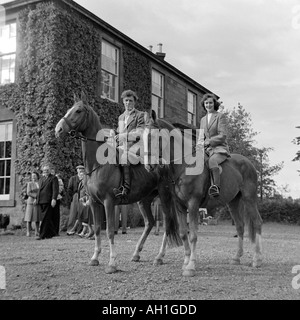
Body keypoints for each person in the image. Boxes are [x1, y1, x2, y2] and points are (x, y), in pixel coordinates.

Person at [113, 90, 145, 201]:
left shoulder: (140, 115)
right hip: (122, 146)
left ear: (134, 102)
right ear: (123, 101)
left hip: (136, 146)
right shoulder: (121, 117)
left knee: (124, 157)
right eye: (126, 101)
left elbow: (140, 133)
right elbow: (119, 132)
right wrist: (114, 135)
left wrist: (124, 136)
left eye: (130, 101)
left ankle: (125, 187)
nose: (128, 103)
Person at [196, 93, 230, 197]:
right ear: (204, 105)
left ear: (214, 104)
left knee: (212, 161)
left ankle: (216, 187)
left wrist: (208, 141)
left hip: (220, 149)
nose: (208, 105)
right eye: (206, 103)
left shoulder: (220, 116)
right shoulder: (202, 120)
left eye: (210, 103)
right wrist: (198, 146)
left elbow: (222, 135)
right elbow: (201, 137)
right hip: (207, 150)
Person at [36, 164, 59, 240]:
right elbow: (39, 190)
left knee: (45, 218)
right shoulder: (41, 178)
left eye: (47, 170)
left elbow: (55, 190)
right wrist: (37, 199)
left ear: (49, 171)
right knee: (46, 218)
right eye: (44, 170)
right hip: (41, 200)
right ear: (42, 170)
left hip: (48, 200)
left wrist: (54, 199)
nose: (46, 171)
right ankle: (50, 233)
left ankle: (41, 235)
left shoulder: (53, 178)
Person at [66, 165, 85, 235]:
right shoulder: (73, 178)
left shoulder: (86, 178)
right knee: (73, 213)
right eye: (79, 169)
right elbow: (69, 189)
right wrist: (71, 198)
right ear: (77, 170)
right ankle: (70, 229)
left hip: (83, 196)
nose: (81, 171)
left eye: (82, 169)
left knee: (81, 213)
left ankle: (80, 229)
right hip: (75, 196)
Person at [24, 171, 41, 237]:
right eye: (32, 176)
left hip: (38, 201)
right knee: (29, 217)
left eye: (35, 175)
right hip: (30, 201)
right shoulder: (29, 183)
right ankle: (28, 232)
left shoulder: (39, 183)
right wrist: (36, 197)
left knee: (37, 217)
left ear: (37, 176)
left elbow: (41, 192)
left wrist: (37, 198)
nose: (33, 177)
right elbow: (28, 193)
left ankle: (37, 232)